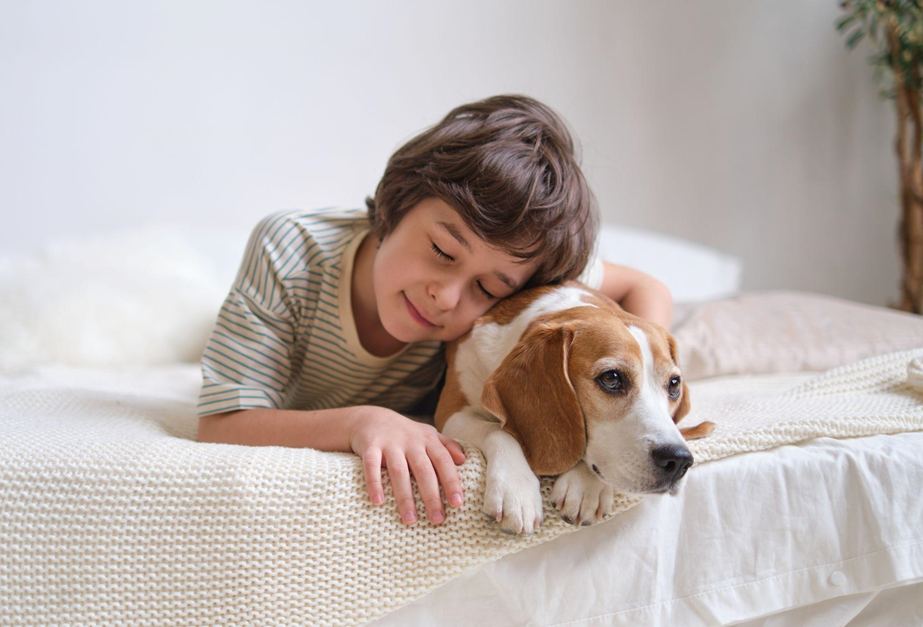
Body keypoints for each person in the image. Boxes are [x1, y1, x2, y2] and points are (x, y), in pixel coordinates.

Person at [196, 94, 673, 528]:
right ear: (398, 203)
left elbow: (643, 288)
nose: (446, 297)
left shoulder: (527, 269)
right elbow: (221, 423)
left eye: (486, 288)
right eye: (443, 252)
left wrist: (642, 396)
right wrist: (362, 421)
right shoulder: (291, 251)